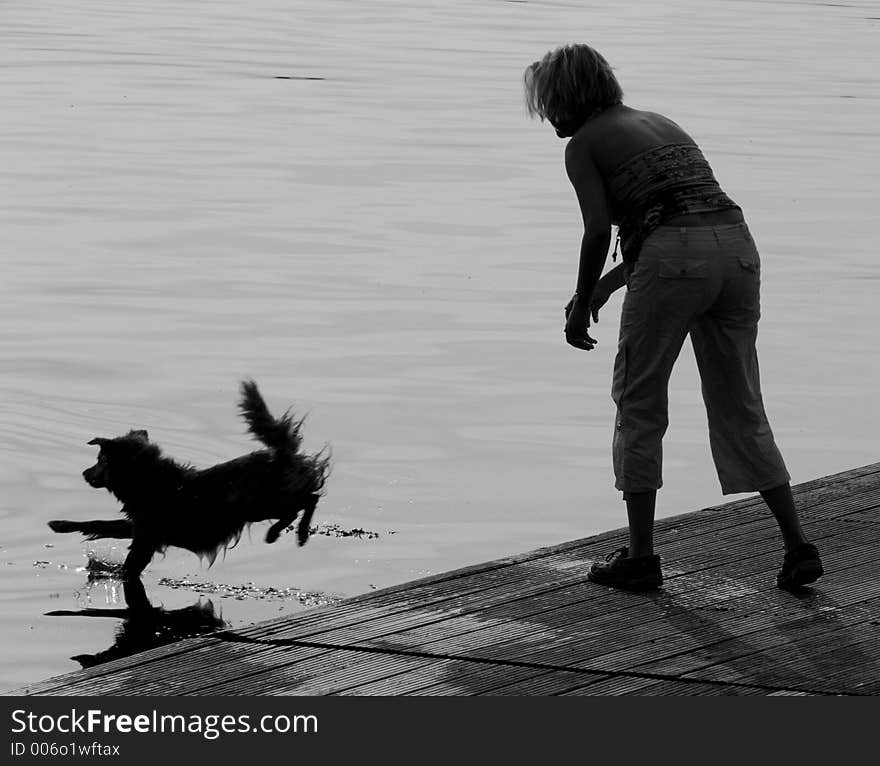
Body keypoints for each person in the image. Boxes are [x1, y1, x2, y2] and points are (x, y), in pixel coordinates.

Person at [523, 43, 823, 591]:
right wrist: (608, 289)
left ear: (567, 98)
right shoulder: (660, 122)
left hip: (672, 257)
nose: (546, 117)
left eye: (547, 103)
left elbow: (599, 232)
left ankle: (640, 557)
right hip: (736, 248)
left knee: (638, 399)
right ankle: (797, 545)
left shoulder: (585, 144)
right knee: (741, 400)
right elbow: (681, 215)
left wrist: (580, 297)